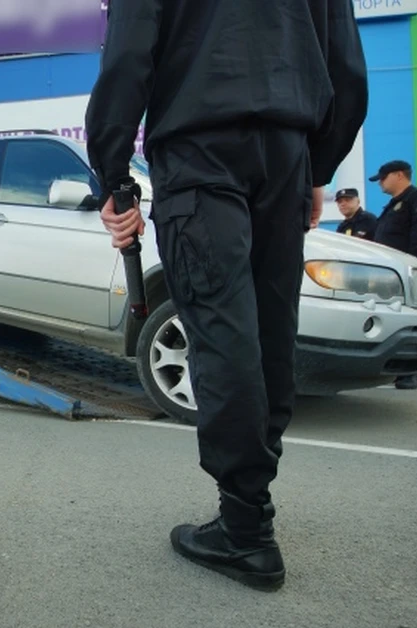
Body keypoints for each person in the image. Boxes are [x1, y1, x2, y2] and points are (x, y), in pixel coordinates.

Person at [84, 0, 368, 591]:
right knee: (268, 333)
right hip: (285, 152)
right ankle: (250, 511)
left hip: (199, 149)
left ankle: (246, 532)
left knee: (223, 335)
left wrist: (114, 175)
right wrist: (317, 167)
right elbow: (345, 63)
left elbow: (129, 53)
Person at [370, 159, 417, 389]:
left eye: (383, 177)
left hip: (411, 272)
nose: (380, 182)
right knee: (399, 323)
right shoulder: (391, 206)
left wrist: (411, 267)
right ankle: (402, 370)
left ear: (399, 175)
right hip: (391, 276)